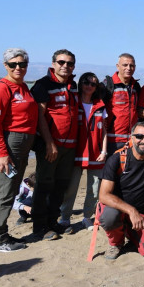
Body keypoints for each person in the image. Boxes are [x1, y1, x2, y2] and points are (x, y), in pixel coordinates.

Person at [0, 48, 38, 253]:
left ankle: (0, 234)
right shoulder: (1, 88)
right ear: (5, 66)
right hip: (7, 145)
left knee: (10, 191)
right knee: (4, 193)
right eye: (13, 64)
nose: (18, 68)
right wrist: (1, 153)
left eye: (22, 64)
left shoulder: (23, 87)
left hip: (21, 146)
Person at [98, 121, 144, 260]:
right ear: (131, 137)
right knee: (109, 216)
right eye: (139, 136)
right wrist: (131, 211)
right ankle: (116, 242)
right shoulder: (117, 158)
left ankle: (130, 232)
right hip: (119, 211)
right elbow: (103, 195)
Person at [30, 49, 79, 241]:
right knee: (44, 185)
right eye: (61, 62)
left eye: (69, 63)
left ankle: (53, 221)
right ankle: (39, 227)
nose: (65, 66)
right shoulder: (43, 85)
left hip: (69, 145)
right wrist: (49, 143)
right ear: (53, 64)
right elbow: (40, 117)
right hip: (50, 145)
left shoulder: (73, 85)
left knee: (61, 185)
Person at [59, 72, 108, 231]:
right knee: (71, 188)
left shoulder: (100, 105)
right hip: (76, 152)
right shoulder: (74, 102)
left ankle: (87, 217)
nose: (89, 86)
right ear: (81, 84)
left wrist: (104, 150)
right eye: (86, 82)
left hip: (96, 152)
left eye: (93, 84)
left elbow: (105, 131)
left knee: (94, 189)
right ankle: (65, 217)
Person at [105, 53, 141, 153]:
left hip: (131, 140)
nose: (128, 68)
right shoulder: (108, 85)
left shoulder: (136, 87)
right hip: (112, 141)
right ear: (118, 66)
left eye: (131, 65)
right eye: (125, 65)